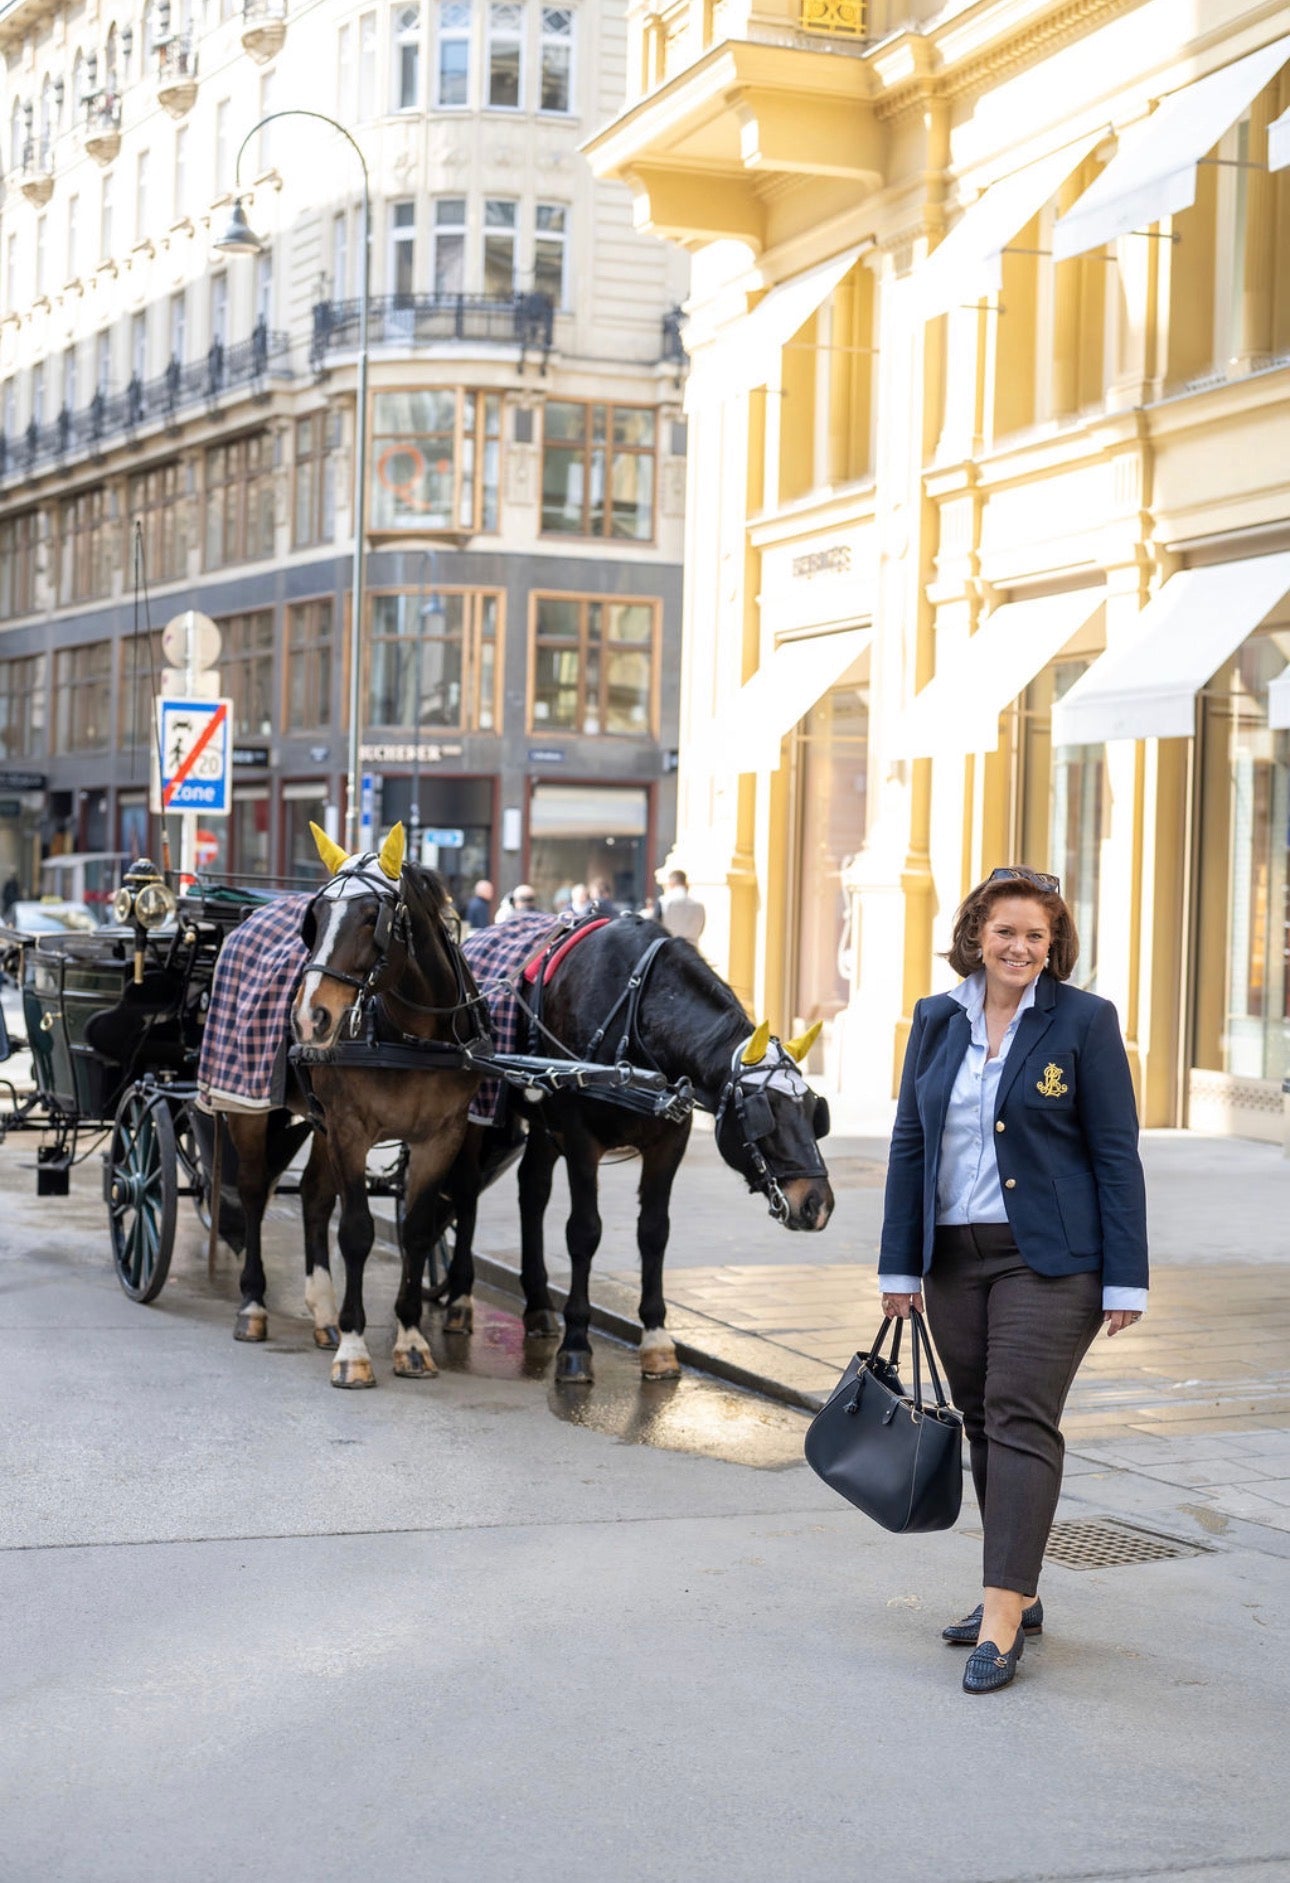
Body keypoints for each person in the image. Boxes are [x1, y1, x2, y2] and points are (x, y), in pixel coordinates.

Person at [878, 866, 1147, 1695]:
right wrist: (899, 1263)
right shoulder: (936, 1017)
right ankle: (1019, 1589)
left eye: (1036, 934)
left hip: (1052, 1259)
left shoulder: (1085, 1020)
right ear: (976, 935)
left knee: (1020, 1415)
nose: (1019, 947)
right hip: (953, 1256)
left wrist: (1126, 1278)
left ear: (1054, 944)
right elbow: (910, 1142)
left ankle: (1000, 1620)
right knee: (981, 1421)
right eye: (1005, 931)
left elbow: (1115, 1152)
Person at [658, 868, 705, 943]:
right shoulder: (699, 906)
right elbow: (700, 929)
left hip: (670, 946)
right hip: (692, 947)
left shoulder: (663, 901)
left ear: (671, 883)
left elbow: (656, 927)